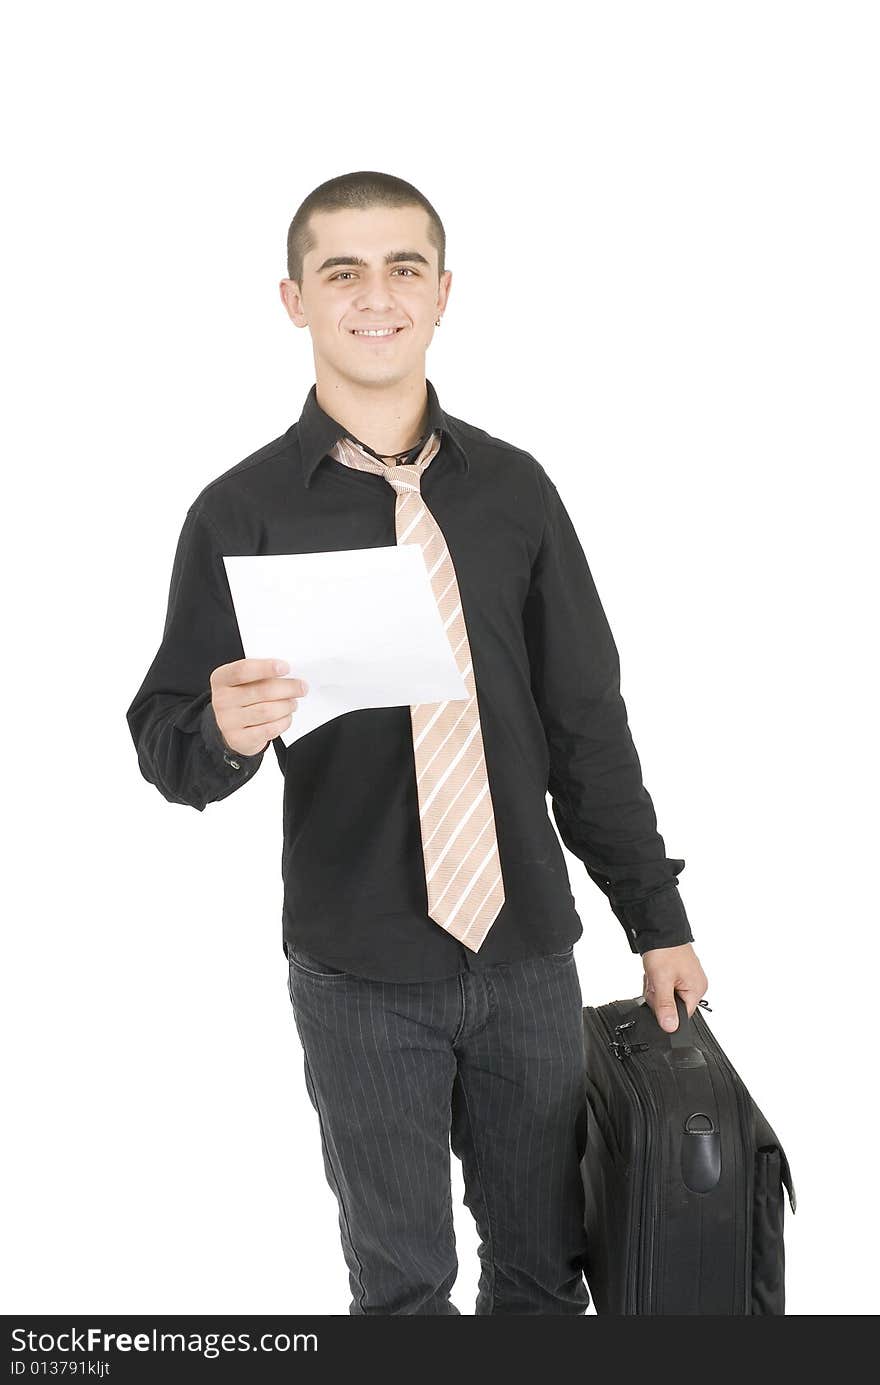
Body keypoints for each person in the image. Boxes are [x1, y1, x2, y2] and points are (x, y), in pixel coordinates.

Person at [126, 169, 709, 1315]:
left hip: (529, 958)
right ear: (294, 299)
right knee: (400, 1291)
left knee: (545, 1278)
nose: (374, 295)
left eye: (403, 268)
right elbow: (167, 739)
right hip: (358, 970)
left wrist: (659, 920)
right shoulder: (238, 512)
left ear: (444, 292)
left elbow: (588, 727)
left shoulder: (515, 493)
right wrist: (225, 734)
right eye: (342, 271)